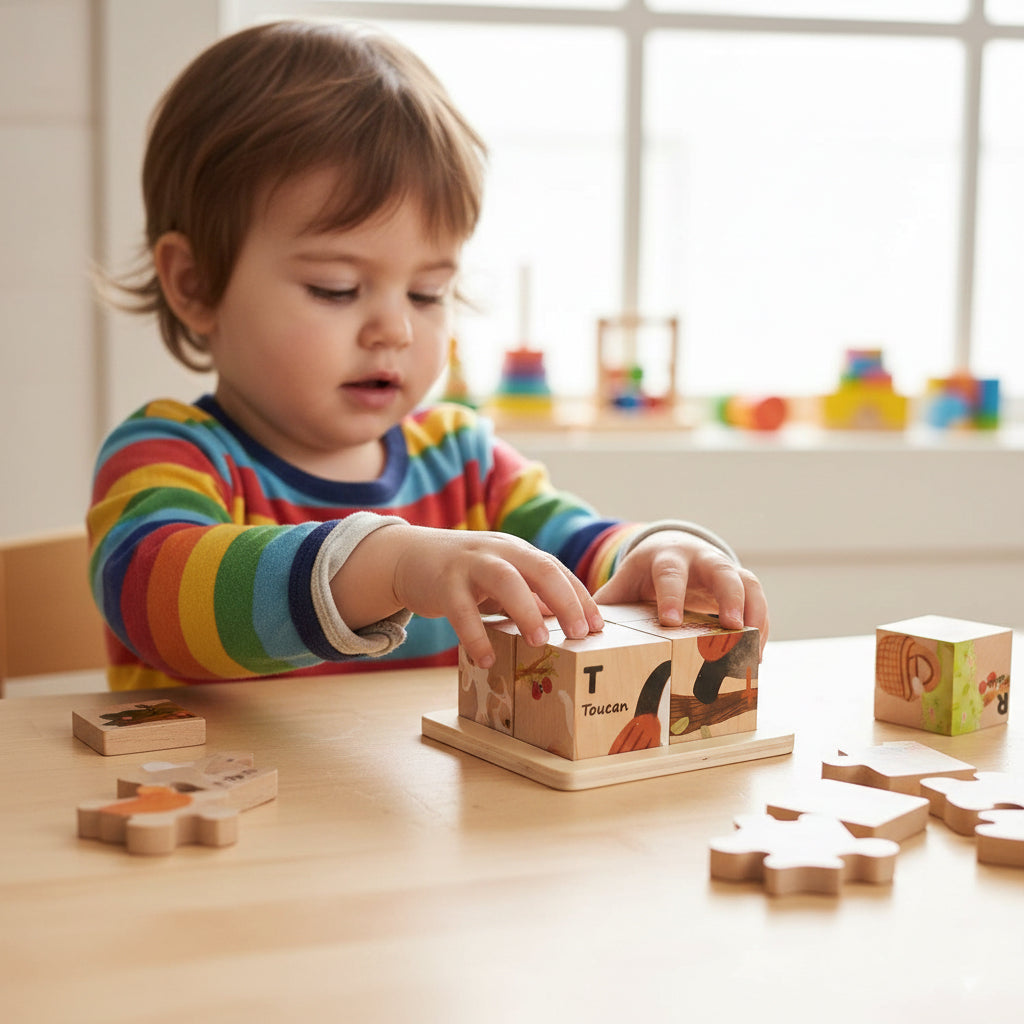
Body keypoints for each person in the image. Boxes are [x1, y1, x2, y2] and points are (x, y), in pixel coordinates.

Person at [89, 19, 768, 691]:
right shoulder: (168, 455)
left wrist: (650, 556)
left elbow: (578, 554)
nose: (396, 330)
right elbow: (154, 599)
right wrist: (386, 562)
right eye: (338, 288)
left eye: (427, 291)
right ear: (195, 283)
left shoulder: (464, 463)